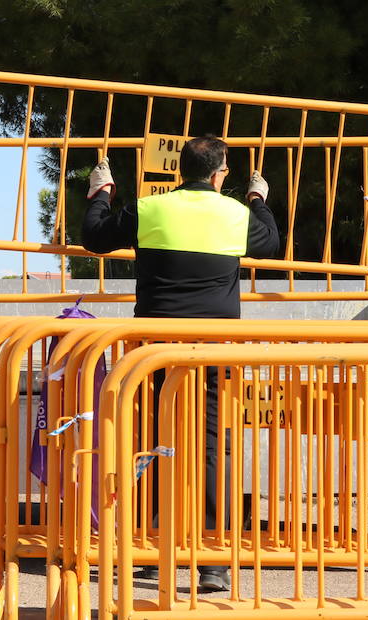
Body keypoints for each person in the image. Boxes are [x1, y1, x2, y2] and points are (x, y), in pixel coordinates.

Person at [81, 135, 280, 593]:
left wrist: (102, 192)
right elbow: (269, 242)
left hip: (155, 347)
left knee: (153, 442)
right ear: (220, 173)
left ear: (180, 171)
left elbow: (95, 238)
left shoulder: (152, 209)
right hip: (215, 348)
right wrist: (257, 199)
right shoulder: (235, 214)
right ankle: (211, 561)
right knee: (212, 447)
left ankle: (153, 549)